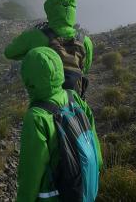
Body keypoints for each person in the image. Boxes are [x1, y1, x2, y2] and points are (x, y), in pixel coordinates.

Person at [17, 47, 102, 202]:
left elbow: (31, 173)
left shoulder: (37, 117)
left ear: (29, 80)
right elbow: (95, 146)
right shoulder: (74, 97)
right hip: (84, 189)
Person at [4, 0, 93, 97]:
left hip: (45, 102)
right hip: (74, 103)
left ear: (48, 8)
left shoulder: (34, 36)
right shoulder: (85, 41)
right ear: (72, 10)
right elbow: (85, 68)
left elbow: (9, 52)